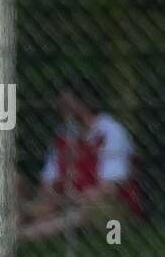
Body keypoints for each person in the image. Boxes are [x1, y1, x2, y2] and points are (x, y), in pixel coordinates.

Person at [20, 83, 141, 241]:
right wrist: (45, 202)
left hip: (108, 207)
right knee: (29, 204)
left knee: (85, 211)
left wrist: (71, 200)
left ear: (83, 105)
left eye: (66, 104)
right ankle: (12, 233)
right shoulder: (62, 135)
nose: (60, 108)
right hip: (65, 201)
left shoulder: (110, 132)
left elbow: (110, 189)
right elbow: (47, 182)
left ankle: (20, 236)